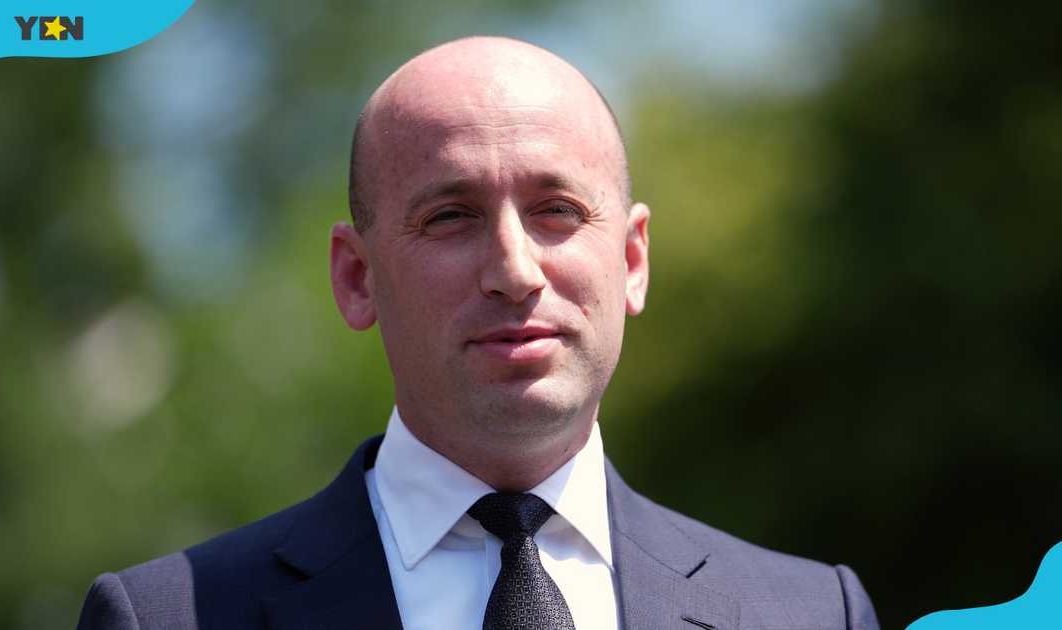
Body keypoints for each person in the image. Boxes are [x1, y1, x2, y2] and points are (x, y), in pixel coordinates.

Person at [77, 36, 880, 630]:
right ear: (357, 278)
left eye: (557, 211)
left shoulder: (813, 613)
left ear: (632, 260)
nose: (515, 269)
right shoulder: (167, 618)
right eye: (451, 216)